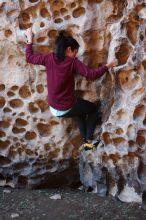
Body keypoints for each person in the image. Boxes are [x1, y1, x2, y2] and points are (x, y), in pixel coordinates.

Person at [25, 27, 117, 150]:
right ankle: (88, 141)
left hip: (53, 107)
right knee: (93, 110)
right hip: (65, 107)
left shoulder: (49, 58)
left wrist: (30, 40)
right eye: (75, 52)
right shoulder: (73, 62)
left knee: (79, 112)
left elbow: (29, 57)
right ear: (68, 50)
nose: (75, 55)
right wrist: (108, 65)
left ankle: (86, 142)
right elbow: (91, 75)